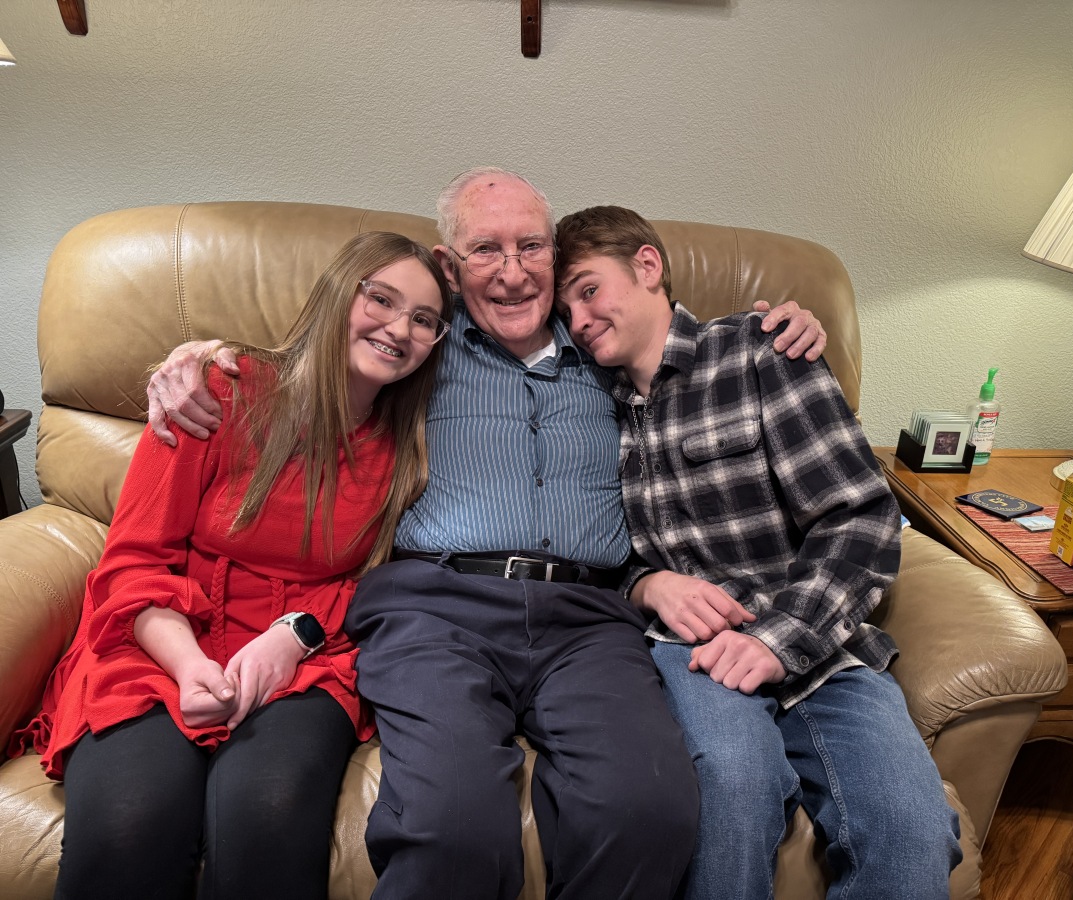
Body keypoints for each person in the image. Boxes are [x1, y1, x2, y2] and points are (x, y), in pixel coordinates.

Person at [145, 169, 827, 900]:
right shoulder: (422, 344)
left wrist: (780, 326)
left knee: (648, 812)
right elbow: (321, 359)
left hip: (589, 620)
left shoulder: (601, 343)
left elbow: (689, 354)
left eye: (530, 246)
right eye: (484, 250)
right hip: (436, 607)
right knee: (454, 826)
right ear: (449, 266)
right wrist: (197, 356)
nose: (512, 273)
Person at [10, 232, 454, 900]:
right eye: (382, 300)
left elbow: (372, 582)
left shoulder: (407, 450)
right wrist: (189, 666)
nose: (399, 329)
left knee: (268, 816)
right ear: (340, 295)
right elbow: (133, 559)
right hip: (157, 642)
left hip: (307, 659)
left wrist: (293, 635)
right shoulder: (217, 390)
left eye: (423, 319)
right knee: (131, 823)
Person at [553, 205, 963, 900]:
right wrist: (646, 584)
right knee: (731, 792)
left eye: (589, 290)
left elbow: (860, 517)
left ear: (647, 266)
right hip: (693, 649)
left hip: (822, 642)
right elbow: (582, 549)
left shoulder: (760, 352)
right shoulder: (586, 402)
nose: (581, 319)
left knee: (911, 831)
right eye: (566, 311)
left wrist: (778, 641)